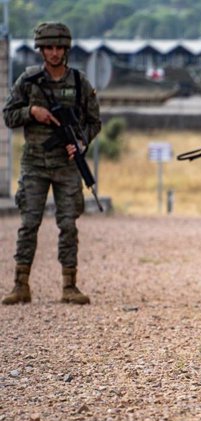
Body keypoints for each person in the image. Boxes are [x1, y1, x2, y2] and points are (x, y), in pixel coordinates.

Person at [2, 22, 101, 305]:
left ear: (66, 50)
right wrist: (32, 112)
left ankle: (69, 285)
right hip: (35, 163)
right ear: (41, 50)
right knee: (29, 223)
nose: (55, 53)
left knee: (68, 224)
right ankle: (21, 284)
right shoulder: (28, 81)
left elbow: (95, 122)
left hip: (67, 165)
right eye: (49, 48)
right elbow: (8, 116)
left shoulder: (80, 83)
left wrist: (81, 143)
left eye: (59, 48)